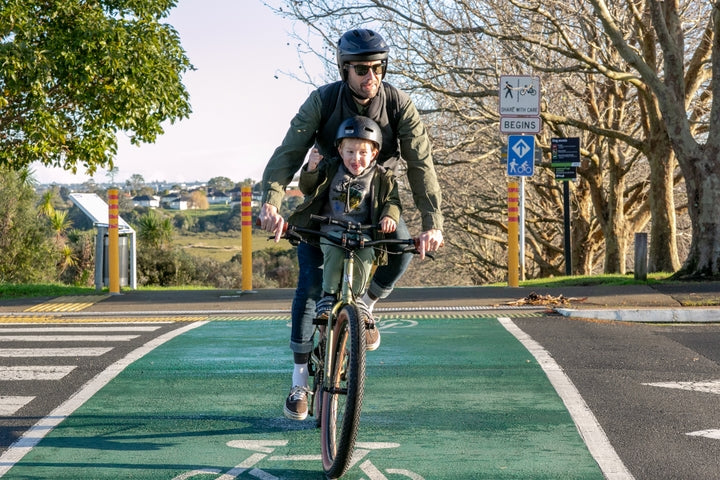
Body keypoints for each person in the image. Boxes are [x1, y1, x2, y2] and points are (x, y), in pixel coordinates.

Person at [259, 28, 444, 421]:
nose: (370, 76)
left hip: (375, 204)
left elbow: (421, 165)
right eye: (361, 69)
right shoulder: (322, 101)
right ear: (345, 69)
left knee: (403, 251)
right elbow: (287, 153)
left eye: (377, 68)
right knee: (310, 284)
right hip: (325, 203)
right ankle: (298, 382)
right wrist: (272, 205)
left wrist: (433, 223)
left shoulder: (399, 106)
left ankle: (367, 305)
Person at [289, 115, 400, 348]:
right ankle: (328, 296)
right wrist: (310, 168)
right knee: (333, 250)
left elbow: (392, 200)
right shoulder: (331, 169)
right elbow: (308, 187)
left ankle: (358, 298)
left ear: (374, 154)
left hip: (363, 230)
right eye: (350, 152)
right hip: (332, 227)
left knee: (367, 254)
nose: (355, 158)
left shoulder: (381, 177)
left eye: (362, 153)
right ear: (340, 151)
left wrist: (389, 216)